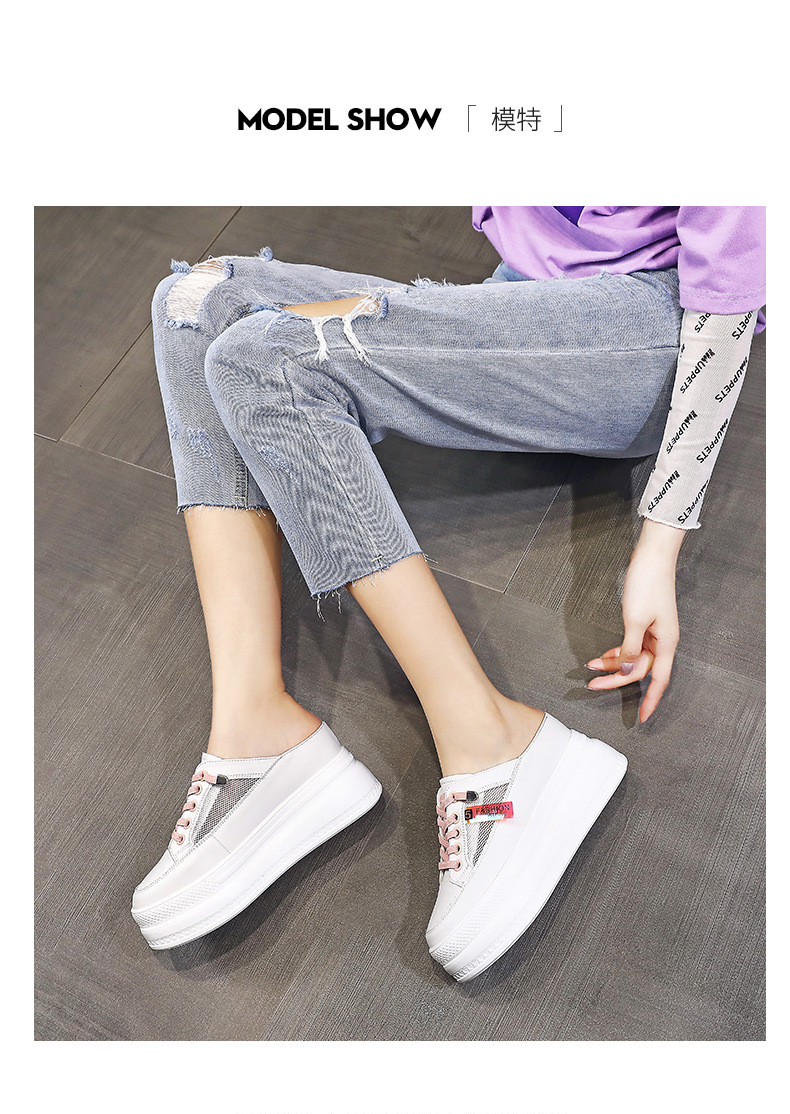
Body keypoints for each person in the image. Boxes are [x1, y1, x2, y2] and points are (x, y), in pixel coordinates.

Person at [131, 206, 765, 983]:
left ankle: (494, 739)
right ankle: (257, 726)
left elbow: (730, 305)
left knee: (266, 363)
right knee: (195, 302)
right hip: (526, 296)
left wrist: (660, 545)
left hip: (644, 335)